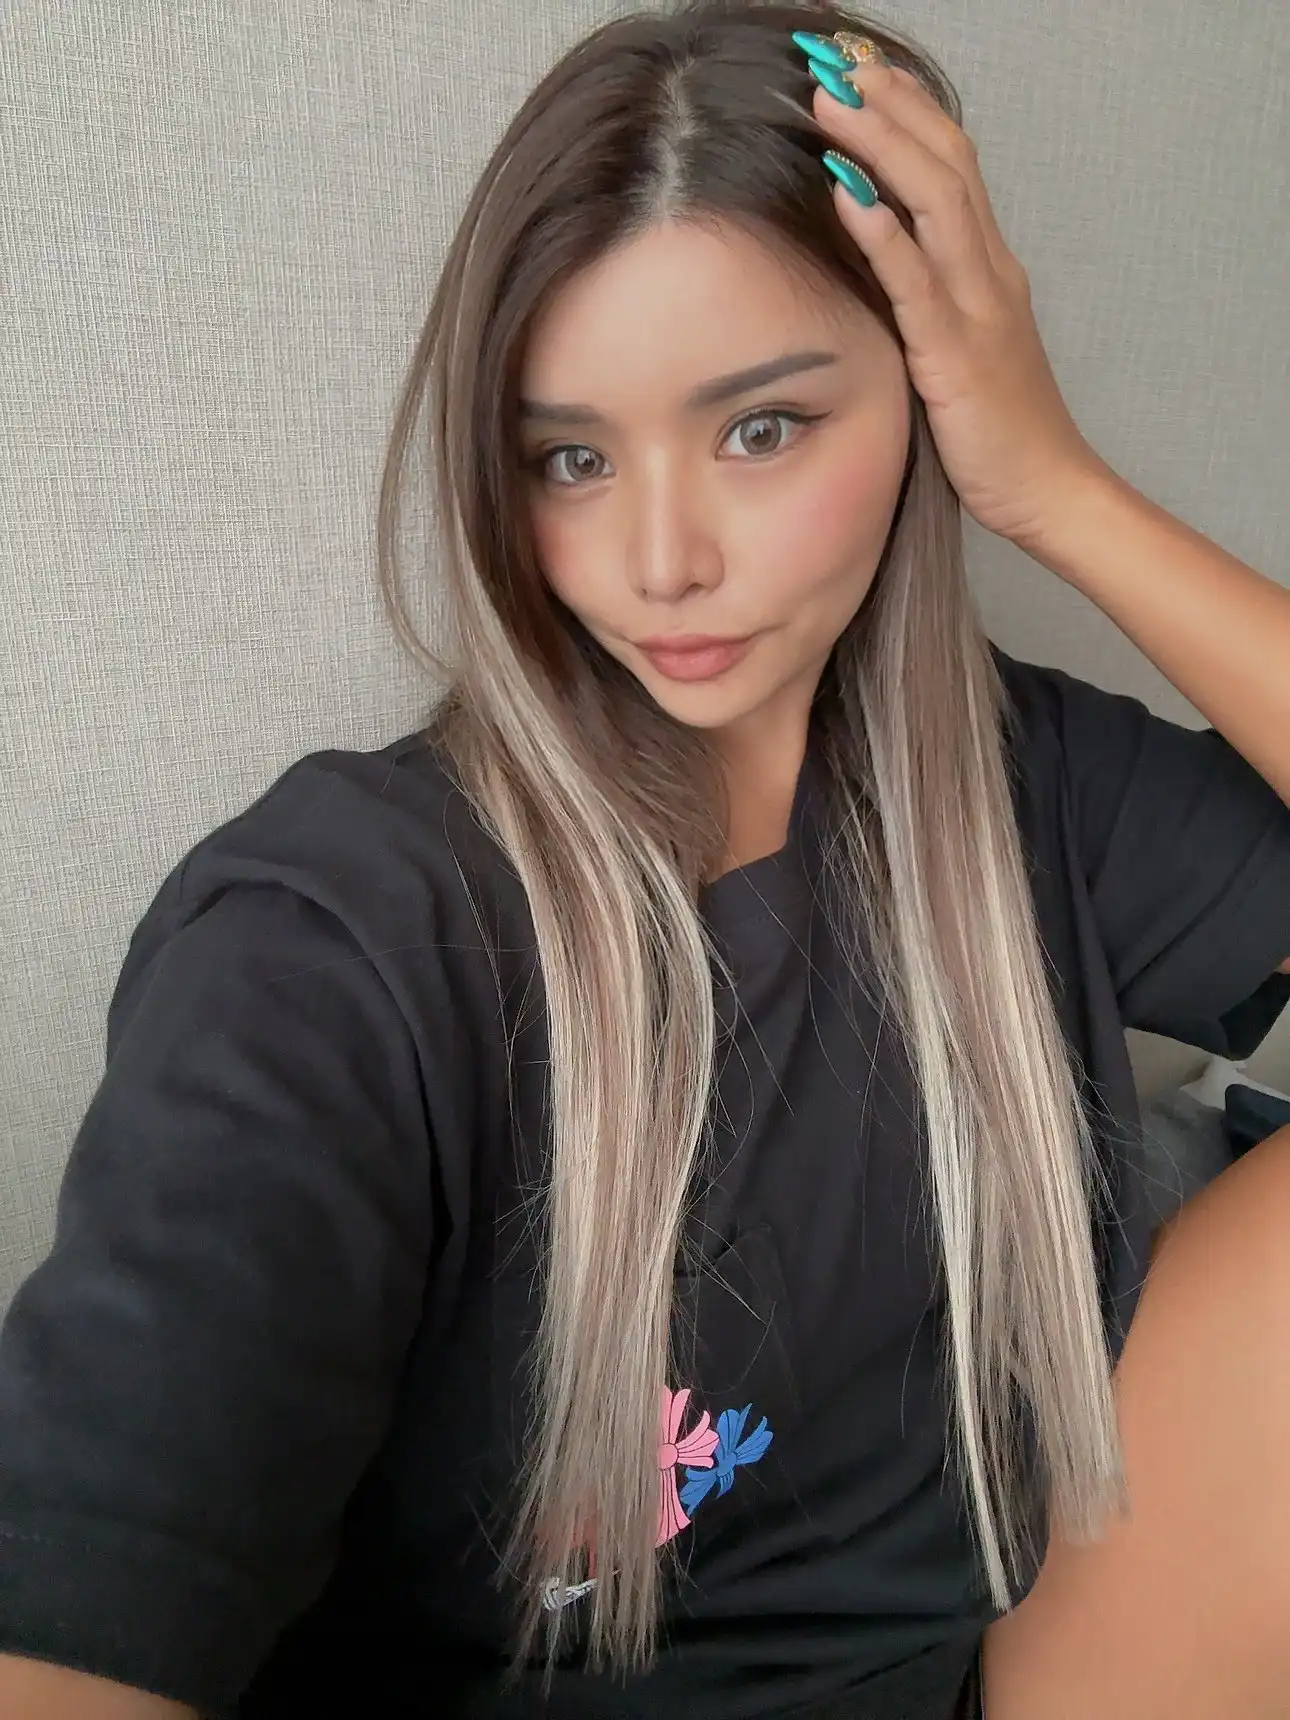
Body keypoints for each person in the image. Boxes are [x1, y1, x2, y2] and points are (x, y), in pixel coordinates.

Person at [1, 5, 1288, 1717]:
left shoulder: (1021, 783)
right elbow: (91, 1589)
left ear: (924, 401)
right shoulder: (338, 938)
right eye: (571, 458)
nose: (659, 559)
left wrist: (1056, 488)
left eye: (761, 428)